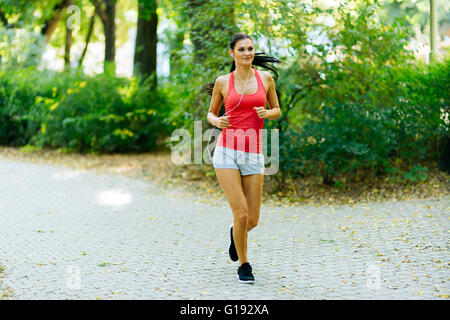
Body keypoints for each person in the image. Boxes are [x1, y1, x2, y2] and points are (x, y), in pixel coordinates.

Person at [206, 32, 281, 284]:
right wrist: (217, 120)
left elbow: (277, 110)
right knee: (240, 214)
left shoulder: (266, 79)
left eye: (250, 49)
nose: (247, 53)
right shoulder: (222, 82)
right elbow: (211, 113)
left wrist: (267, 113)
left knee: (252, 220)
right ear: (232, 53)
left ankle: (234, 234)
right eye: (242, 49)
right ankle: (244, 264)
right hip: (226, 151)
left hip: (253, 153)